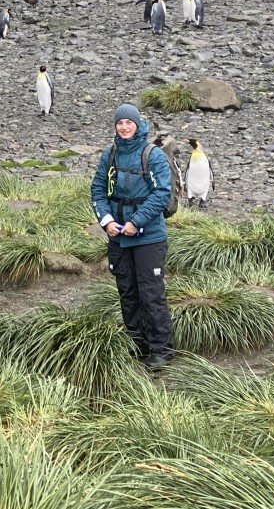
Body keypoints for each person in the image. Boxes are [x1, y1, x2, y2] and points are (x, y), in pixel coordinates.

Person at [90, 103, 174, 370]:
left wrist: (136, 222)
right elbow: (98, 191)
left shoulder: (153, 155)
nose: (124, 127)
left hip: (148, 237)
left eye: (129, 123)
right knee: (127, 291)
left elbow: (162, 194)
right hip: (119, 236)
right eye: (119, 123)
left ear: (138, 124)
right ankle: (137, 344)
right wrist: (107, 221)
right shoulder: (110, 154)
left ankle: (161, 350)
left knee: (151, 293)